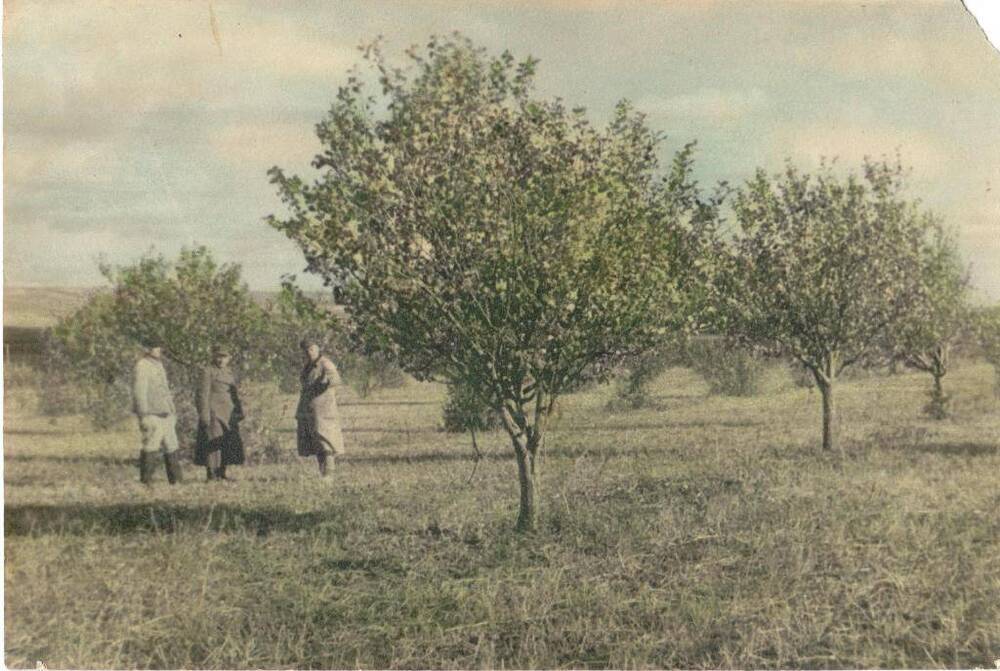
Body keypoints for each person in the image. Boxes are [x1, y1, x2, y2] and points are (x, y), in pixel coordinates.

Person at [132, 337, 183, 485]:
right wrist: (143, 415)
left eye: (160, 347)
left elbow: (165, 390)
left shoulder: (158, 365)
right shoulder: (142, 365)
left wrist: (172, 411)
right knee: (151, 446)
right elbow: (139, 392)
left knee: (172, 446)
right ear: (147, 349)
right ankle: (146, 482)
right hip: (152, 413)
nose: (159, 350)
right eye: (156, 347)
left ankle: (176, 482)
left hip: (166, 413)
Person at [195, 347, 245, 481]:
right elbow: (202, 395)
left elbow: (234, 395)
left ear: (229, 358)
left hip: (228, 413)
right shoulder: (207, 371)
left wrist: (239, 411)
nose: (221, 360)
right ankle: (211, 474)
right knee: (212, 442)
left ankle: (222, 473)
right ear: (213, 356)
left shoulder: (228, 372)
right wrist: (204, 414)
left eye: (225, 357)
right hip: (214, 412)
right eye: (218, 356)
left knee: (225, 442)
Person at [296, 339, 345, 476]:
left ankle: (329, 475)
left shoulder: (326, 363)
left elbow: (336, 380)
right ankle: (323, 474)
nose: (309, 352)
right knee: (316, 443)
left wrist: (325, 383)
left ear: (317, 349)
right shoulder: (308, 366)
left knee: (326, 442)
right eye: (306, 350)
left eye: (311, 349)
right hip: (309, 409)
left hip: (324, 409)